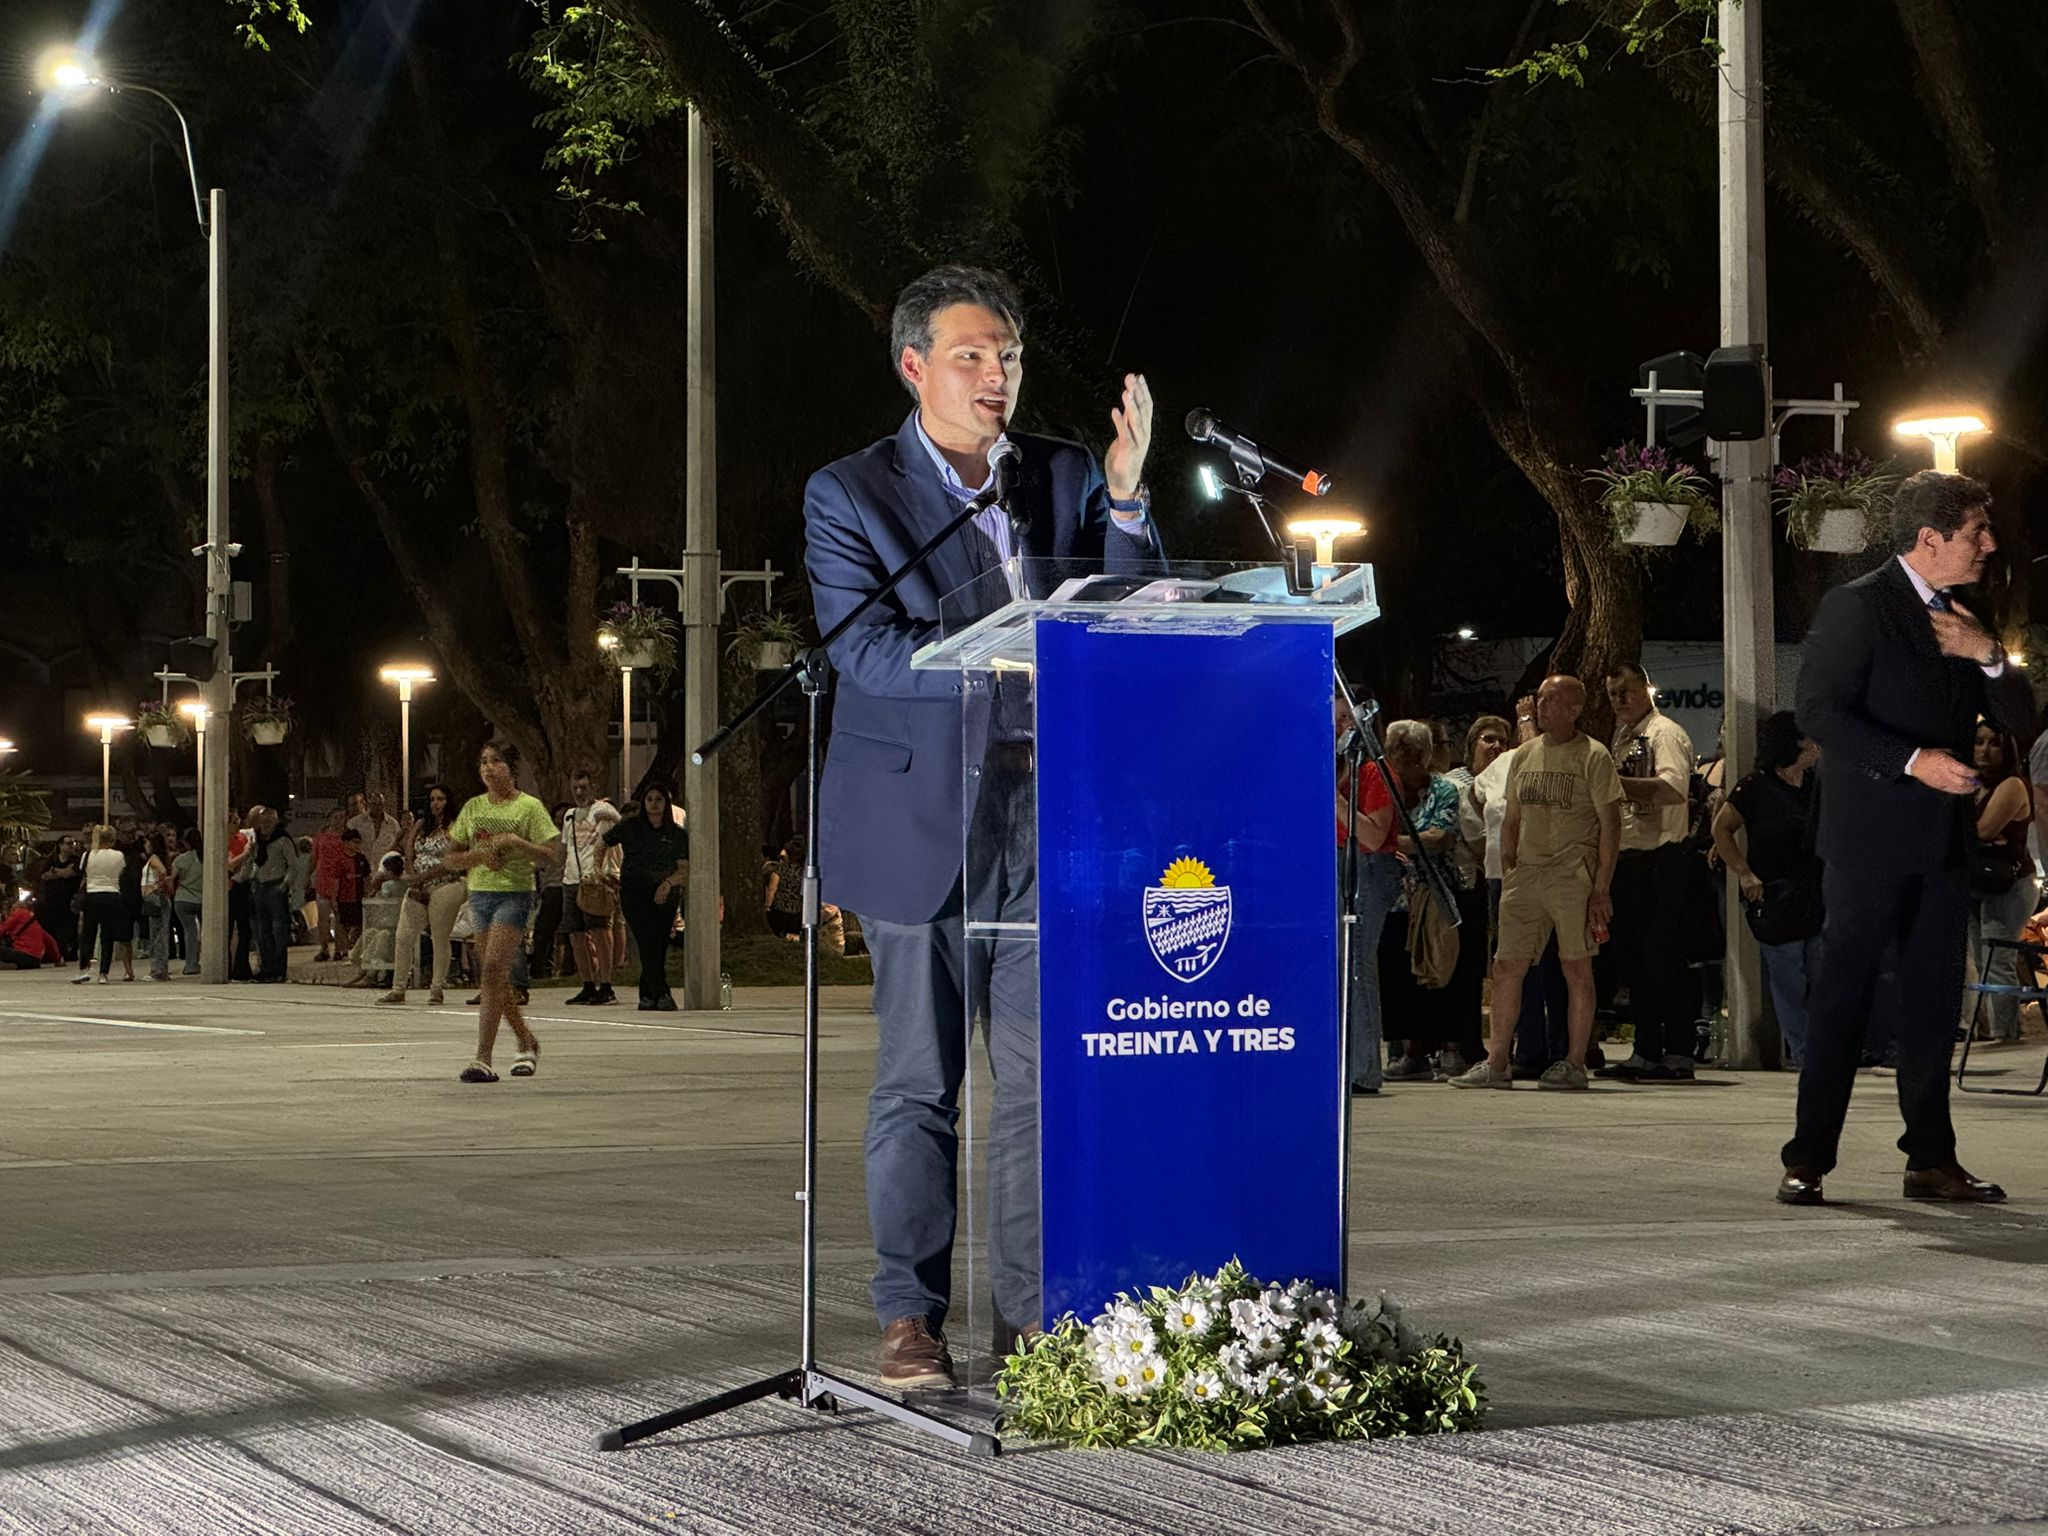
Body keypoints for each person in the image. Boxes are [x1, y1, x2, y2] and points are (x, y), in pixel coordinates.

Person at [805, 264, 1159, 1388]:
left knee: (1040, 1083)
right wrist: (1003, 668)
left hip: (1044, 818)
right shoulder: (850, 492)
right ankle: (909, 1314)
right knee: (919, 1081)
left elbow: (1126, 613)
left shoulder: (1058, 475)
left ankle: (1030, 1312)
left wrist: (1126, 500)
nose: (995, 374)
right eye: (970, 355)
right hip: (919, 821)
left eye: (1005, 354)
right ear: (912, 366)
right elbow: (860, 655)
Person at [1779, 470, 2035, 1206]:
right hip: (1866, 842)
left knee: (1931, 1006)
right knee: (1843, 999)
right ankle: (1807, 1159)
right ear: (1931, 538)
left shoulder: (1967, 613)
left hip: (1944, 846)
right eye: (1975, 532)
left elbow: (2019, 714)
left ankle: (1930, 1160)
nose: (1988, 544)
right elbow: (1819, 712)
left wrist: (1988, 654)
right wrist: (1913, 761)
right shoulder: (1857, 606)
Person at [1452, 674, 1622, 1091]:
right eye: (1540, 700)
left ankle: (1574, 1062)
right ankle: (1496, 1063)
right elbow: (1511, 816)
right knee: (1506, 965)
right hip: (1525, 876)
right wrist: (1510, 862)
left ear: (1574, 708)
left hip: (1571, 875)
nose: (1541, 707)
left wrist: (1600, 887)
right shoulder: (1523, 755)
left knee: (1575, 966)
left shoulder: (1593, 756)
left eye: (1550, 700)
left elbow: (1611, 824)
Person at [1595, 661, 1699, 1082]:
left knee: (1663, 958)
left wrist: (1612, 784)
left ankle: (1678, 1051)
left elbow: (1674, 789)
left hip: (1660, 858)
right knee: (1636, 961)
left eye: (1626, 691)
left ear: (1646, 689)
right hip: (1629, 859)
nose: (1619, 701)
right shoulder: (1623, 736)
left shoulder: (1664, 733)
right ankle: (1646, 1050)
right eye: (1612, 694)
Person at [442, 742, 561, 1082]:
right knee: (494, 976)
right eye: (483, 762)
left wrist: (516, 842)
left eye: (496, 761)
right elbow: (451, 858)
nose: (489, 768)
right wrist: (478, 857)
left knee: (493, 967)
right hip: (481, 895)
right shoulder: (473, 808)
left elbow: (551, 855)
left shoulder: (529, 807)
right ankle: (526, 1040)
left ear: (511, 769)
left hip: (515, 894)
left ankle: (482, 1058)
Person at [1712, 712, 1823, 1068]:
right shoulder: (1756, 787)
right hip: (1777, 893)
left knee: (1822, 972)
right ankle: (1804, 1051)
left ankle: (1825, 1046)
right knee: (1789, 973)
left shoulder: (1815, 784)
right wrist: (1744, 872)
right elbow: (1722, 829)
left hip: (1817, 890)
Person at [1375, 721, 1470, 1082]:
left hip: (1434, 893)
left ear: (1427, 755)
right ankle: (1410, 1051)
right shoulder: (1383, 787)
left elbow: (1441, 836)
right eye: (1398, 751)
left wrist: (1390, 842)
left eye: (1416, 753)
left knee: (1441, 969)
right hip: (1393, 895)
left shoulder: (1444, 789)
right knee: (1397, 974)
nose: (1408, 760)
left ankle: (1450, 1048)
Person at [1964, 721, 2035, 1043]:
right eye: (1979, 742)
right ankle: (1999, 1031)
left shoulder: (2011, 785)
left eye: (1994, 744)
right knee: (1982, 961)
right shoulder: (1975, 783)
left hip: (2008, 884)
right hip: (1978, 881)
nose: (1984, 750)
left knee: (1997, 961)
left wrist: (1962, 832)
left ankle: (2004, 1035)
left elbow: (1983, 831)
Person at [602, 782, 691, 1010]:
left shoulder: (676, 834)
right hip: (634, 891)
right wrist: (599, 871)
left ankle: (648, 995)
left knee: (659, 942)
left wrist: (668, 883)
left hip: (664, 892)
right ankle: (662, 993)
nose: (654, 804)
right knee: (645, 941)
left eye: (659, 799)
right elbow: (603, 843)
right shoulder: (631, 826)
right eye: (649, 799)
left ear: (666, 803)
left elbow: (684, 868)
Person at [378, 785, 464, 1007]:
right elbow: (409, 850)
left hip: (445, 884)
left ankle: (436, 988)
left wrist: (423, 877)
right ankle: (398, 988)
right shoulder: (422, 824)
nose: (436, 803)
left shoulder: (456, 827)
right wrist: (413, 874)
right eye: (433, 799)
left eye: (441, 799)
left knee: (439, 938)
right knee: (403, 935)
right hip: (418, 885)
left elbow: (451, 862)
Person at [558, 770, 621, 1006]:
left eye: (584, 787)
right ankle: (586, 983)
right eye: (575, 787)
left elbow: (619, 829)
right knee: (575, 933)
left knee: (600, 930)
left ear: (593, 787)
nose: (579, 792)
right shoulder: (570, 816)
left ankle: (606, 984)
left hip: (596, 879)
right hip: (572, 879)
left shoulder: (604, 811)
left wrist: (608, 873)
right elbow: (566, 846)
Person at [72, 826, 131, 985]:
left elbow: (82, 873)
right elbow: (121, 872)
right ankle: (103, 973)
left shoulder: (88, 855)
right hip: (112, 895)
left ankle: (84, 968)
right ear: (112, 839)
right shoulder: (119, 855)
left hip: (92, 895)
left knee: (88, 934)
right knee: (107, 936)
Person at [246, 807, 296, 982]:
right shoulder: (258, 841)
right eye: (263, 822)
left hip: (275, 887)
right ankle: (265, 968)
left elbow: (293, 865)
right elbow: (254, 862)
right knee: (262, 931)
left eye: (269, 822)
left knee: (278, 931)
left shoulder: (282, 840)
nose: (265, 825)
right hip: (260, 887)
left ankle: (278, 970)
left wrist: (284, 885)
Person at [35, 834, 83, 961]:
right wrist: (60, 872)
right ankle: (51, 954)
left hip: (69, 900)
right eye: (68, 843)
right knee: (51, 927)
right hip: (52, 899)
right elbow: (44, 876)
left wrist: (56, 872)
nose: (71, 846)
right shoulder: (51, 859)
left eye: (73, 843)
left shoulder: (76, 860)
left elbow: (71, 873)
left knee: (69, 928)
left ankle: (69, 954)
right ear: (60, 845)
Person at [310, 808, 349, 961]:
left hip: (341, 881)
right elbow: (314, 857)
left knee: (340, 917)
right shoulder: (321, 837)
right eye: (335, 817)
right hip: (323, 880)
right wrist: (306, 876)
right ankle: (324, 948)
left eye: (341, 817)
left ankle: (340, 948)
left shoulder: (347, 836)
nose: (338, 820)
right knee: (323, 917)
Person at [140, 831, 174, 981]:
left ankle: (158, 970)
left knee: (157, 935)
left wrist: (156, 886)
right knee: (159, 933)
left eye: (147, 842)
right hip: (158, 898)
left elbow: (162, 871)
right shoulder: (159, 858)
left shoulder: (153, 858)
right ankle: (160, 969)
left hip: (155, 897)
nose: (145, 845)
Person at [170, 830, 204, 976]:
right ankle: (209, 961)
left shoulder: (180, 859)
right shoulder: (206, 858)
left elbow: (172, 878)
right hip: (203, 899)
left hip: (183, 898)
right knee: (206, 933)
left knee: (190, 933)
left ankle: (191, 965)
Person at [763, 836, 807, 939]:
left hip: (780, 909)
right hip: (797, 910)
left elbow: (772, 888)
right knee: (793, 936)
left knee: (778, 933)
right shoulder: (804, 872)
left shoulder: (779, 869)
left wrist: (767, 905)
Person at [0, 899, 62, 968]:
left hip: (23, 955)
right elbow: (51, 942)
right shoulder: (36, 925)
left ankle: (9, 965)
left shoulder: (19, 913)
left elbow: (3, 929)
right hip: (35, 961)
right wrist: (57, 960)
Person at [348, 791, 401, 870]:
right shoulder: (355, 823)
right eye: (374, 804)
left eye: (380, 804)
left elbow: (397, 845)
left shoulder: (393, 823)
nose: (377, 807)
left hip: (385, 868)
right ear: (368, 804)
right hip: (361, 867)